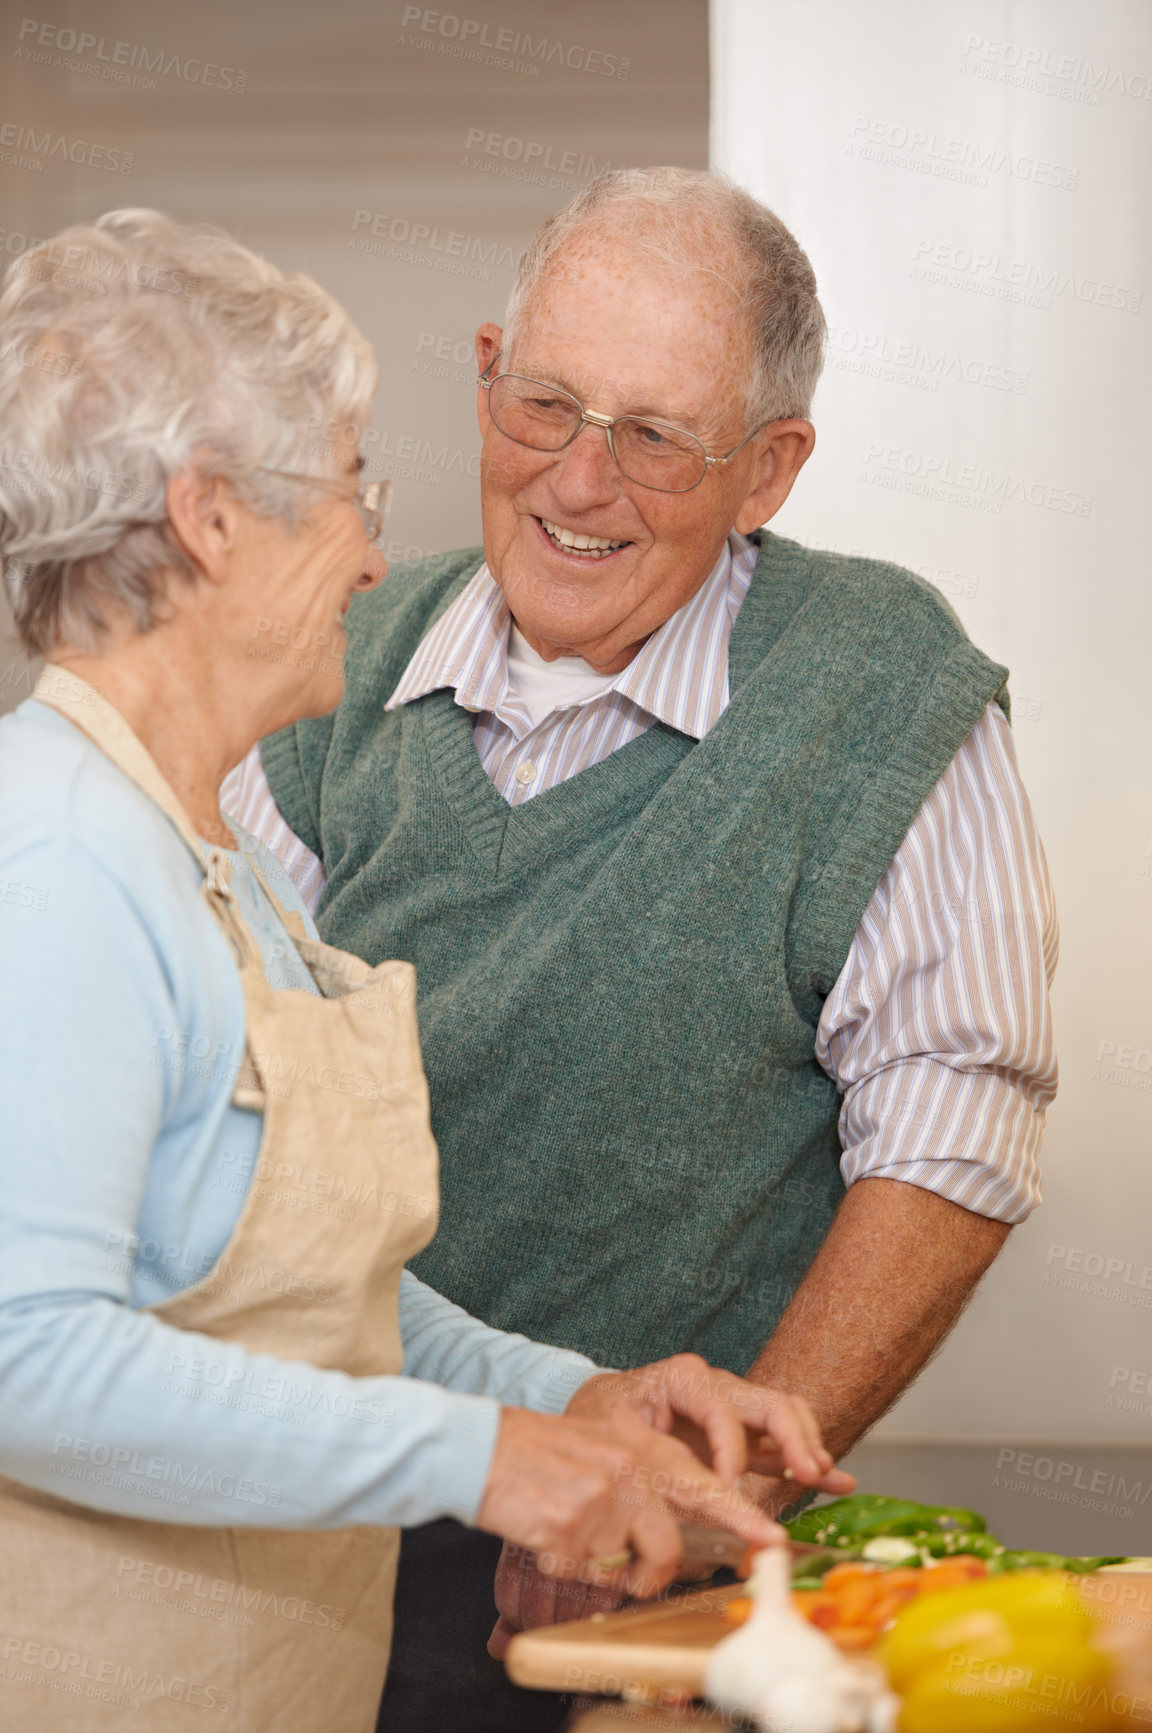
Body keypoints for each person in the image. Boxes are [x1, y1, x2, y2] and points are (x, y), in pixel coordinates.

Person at [225, 165, 1059, 1732]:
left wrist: (684, 1492)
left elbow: (951, 1138)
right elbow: (213, 1117)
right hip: (302, 1542)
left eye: (657, 436)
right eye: (544, 403)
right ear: (484, 372)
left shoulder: (882, 686)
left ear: (771, 469)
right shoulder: (332, 665)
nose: (579, 481)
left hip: (661, 1602)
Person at [0, 209, 854, 1733]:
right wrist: (482, 1459)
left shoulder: (201, 844)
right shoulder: (60, 860)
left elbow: (313, 1295)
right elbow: (23, 1354)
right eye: (342, 488)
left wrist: (566, 1393)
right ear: (210, 518)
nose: (381, 550)